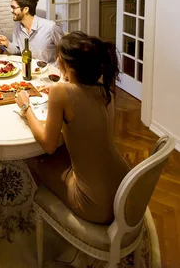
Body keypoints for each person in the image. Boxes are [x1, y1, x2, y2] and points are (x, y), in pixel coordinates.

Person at [15, 31, 129, 224]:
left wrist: (25, 107)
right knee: (63, 154)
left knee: (31, 157)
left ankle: (47, 214)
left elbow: (48, 145)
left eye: (58, 56)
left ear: (66, 64)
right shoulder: (105, 87)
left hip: (95, 203)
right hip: (123, 186)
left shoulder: (61, 91)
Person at [0, 0, 64, 63]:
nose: (11, 10)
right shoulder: (18, 26)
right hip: (28, 70)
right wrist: (7, 43)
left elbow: (67, 53)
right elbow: (18, 50)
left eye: (13, 7)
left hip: (49, 72)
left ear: (25, 9)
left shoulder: (50, 28)